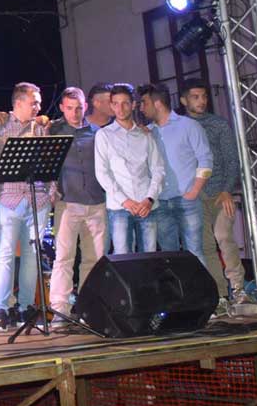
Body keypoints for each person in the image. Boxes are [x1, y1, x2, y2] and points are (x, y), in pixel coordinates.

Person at [0, 83, 52, 331]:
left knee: (32, 256)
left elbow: (52, 161)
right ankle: (0, 308)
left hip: (38, 199)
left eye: (38, 103)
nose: (38, 107)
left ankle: (25, 308)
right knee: (5, 255)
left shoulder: (40, 127)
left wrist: (51, 191)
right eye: (34, 102)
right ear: (18, 103)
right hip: (7, 200)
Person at [180, 81, 248, 308]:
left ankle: (238, 289)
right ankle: (218, 295)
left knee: (224, 237)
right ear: (184, 101)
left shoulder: (218, 124)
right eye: (195, 96)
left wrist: (227, 189)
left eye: (204, 96)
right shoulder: (179, 126)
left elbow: (231, 160)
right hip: (194, 196)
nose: (201, 101)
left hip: (220, 193)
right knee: (205, 245)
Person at [47, 88, 107, 322]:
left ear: (85, 107)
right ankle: (60, 309)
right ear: (62, 108)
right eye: (70, 108)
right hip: (68, 203)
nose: (75, 112)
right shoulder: (53, 131)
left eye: (79, 107)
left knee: (95, 259)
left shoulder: (98, 132)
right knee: (64, 258)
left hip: (96, 202)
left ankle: (89, 306)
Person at [139, 84, 213, 263]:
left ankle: (199, 292)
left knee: (195, 252)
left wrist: (194, 191)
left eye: (144, 103)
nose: (141, 108)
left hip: (186, 200)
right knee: (169, 256)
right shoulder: (148, 132)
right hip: (161, 202)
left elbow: (206, 159)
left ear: (157, 103)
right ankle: (177, 292)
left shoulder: (188, 126)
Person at [95, 83, 165, 255]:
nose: (121, 108)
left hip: (146, 206)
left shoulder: (145, 135)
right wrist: (125, 201)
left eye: (125, 103)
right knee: (123, 259)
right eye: (116, 103)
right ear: (111, 106)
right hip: (120, 208)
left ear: (133, 105)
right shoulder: (104, 135)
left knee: (149, 258)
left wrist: (149, 199)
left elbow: (158, 169)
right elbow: (102, 173)